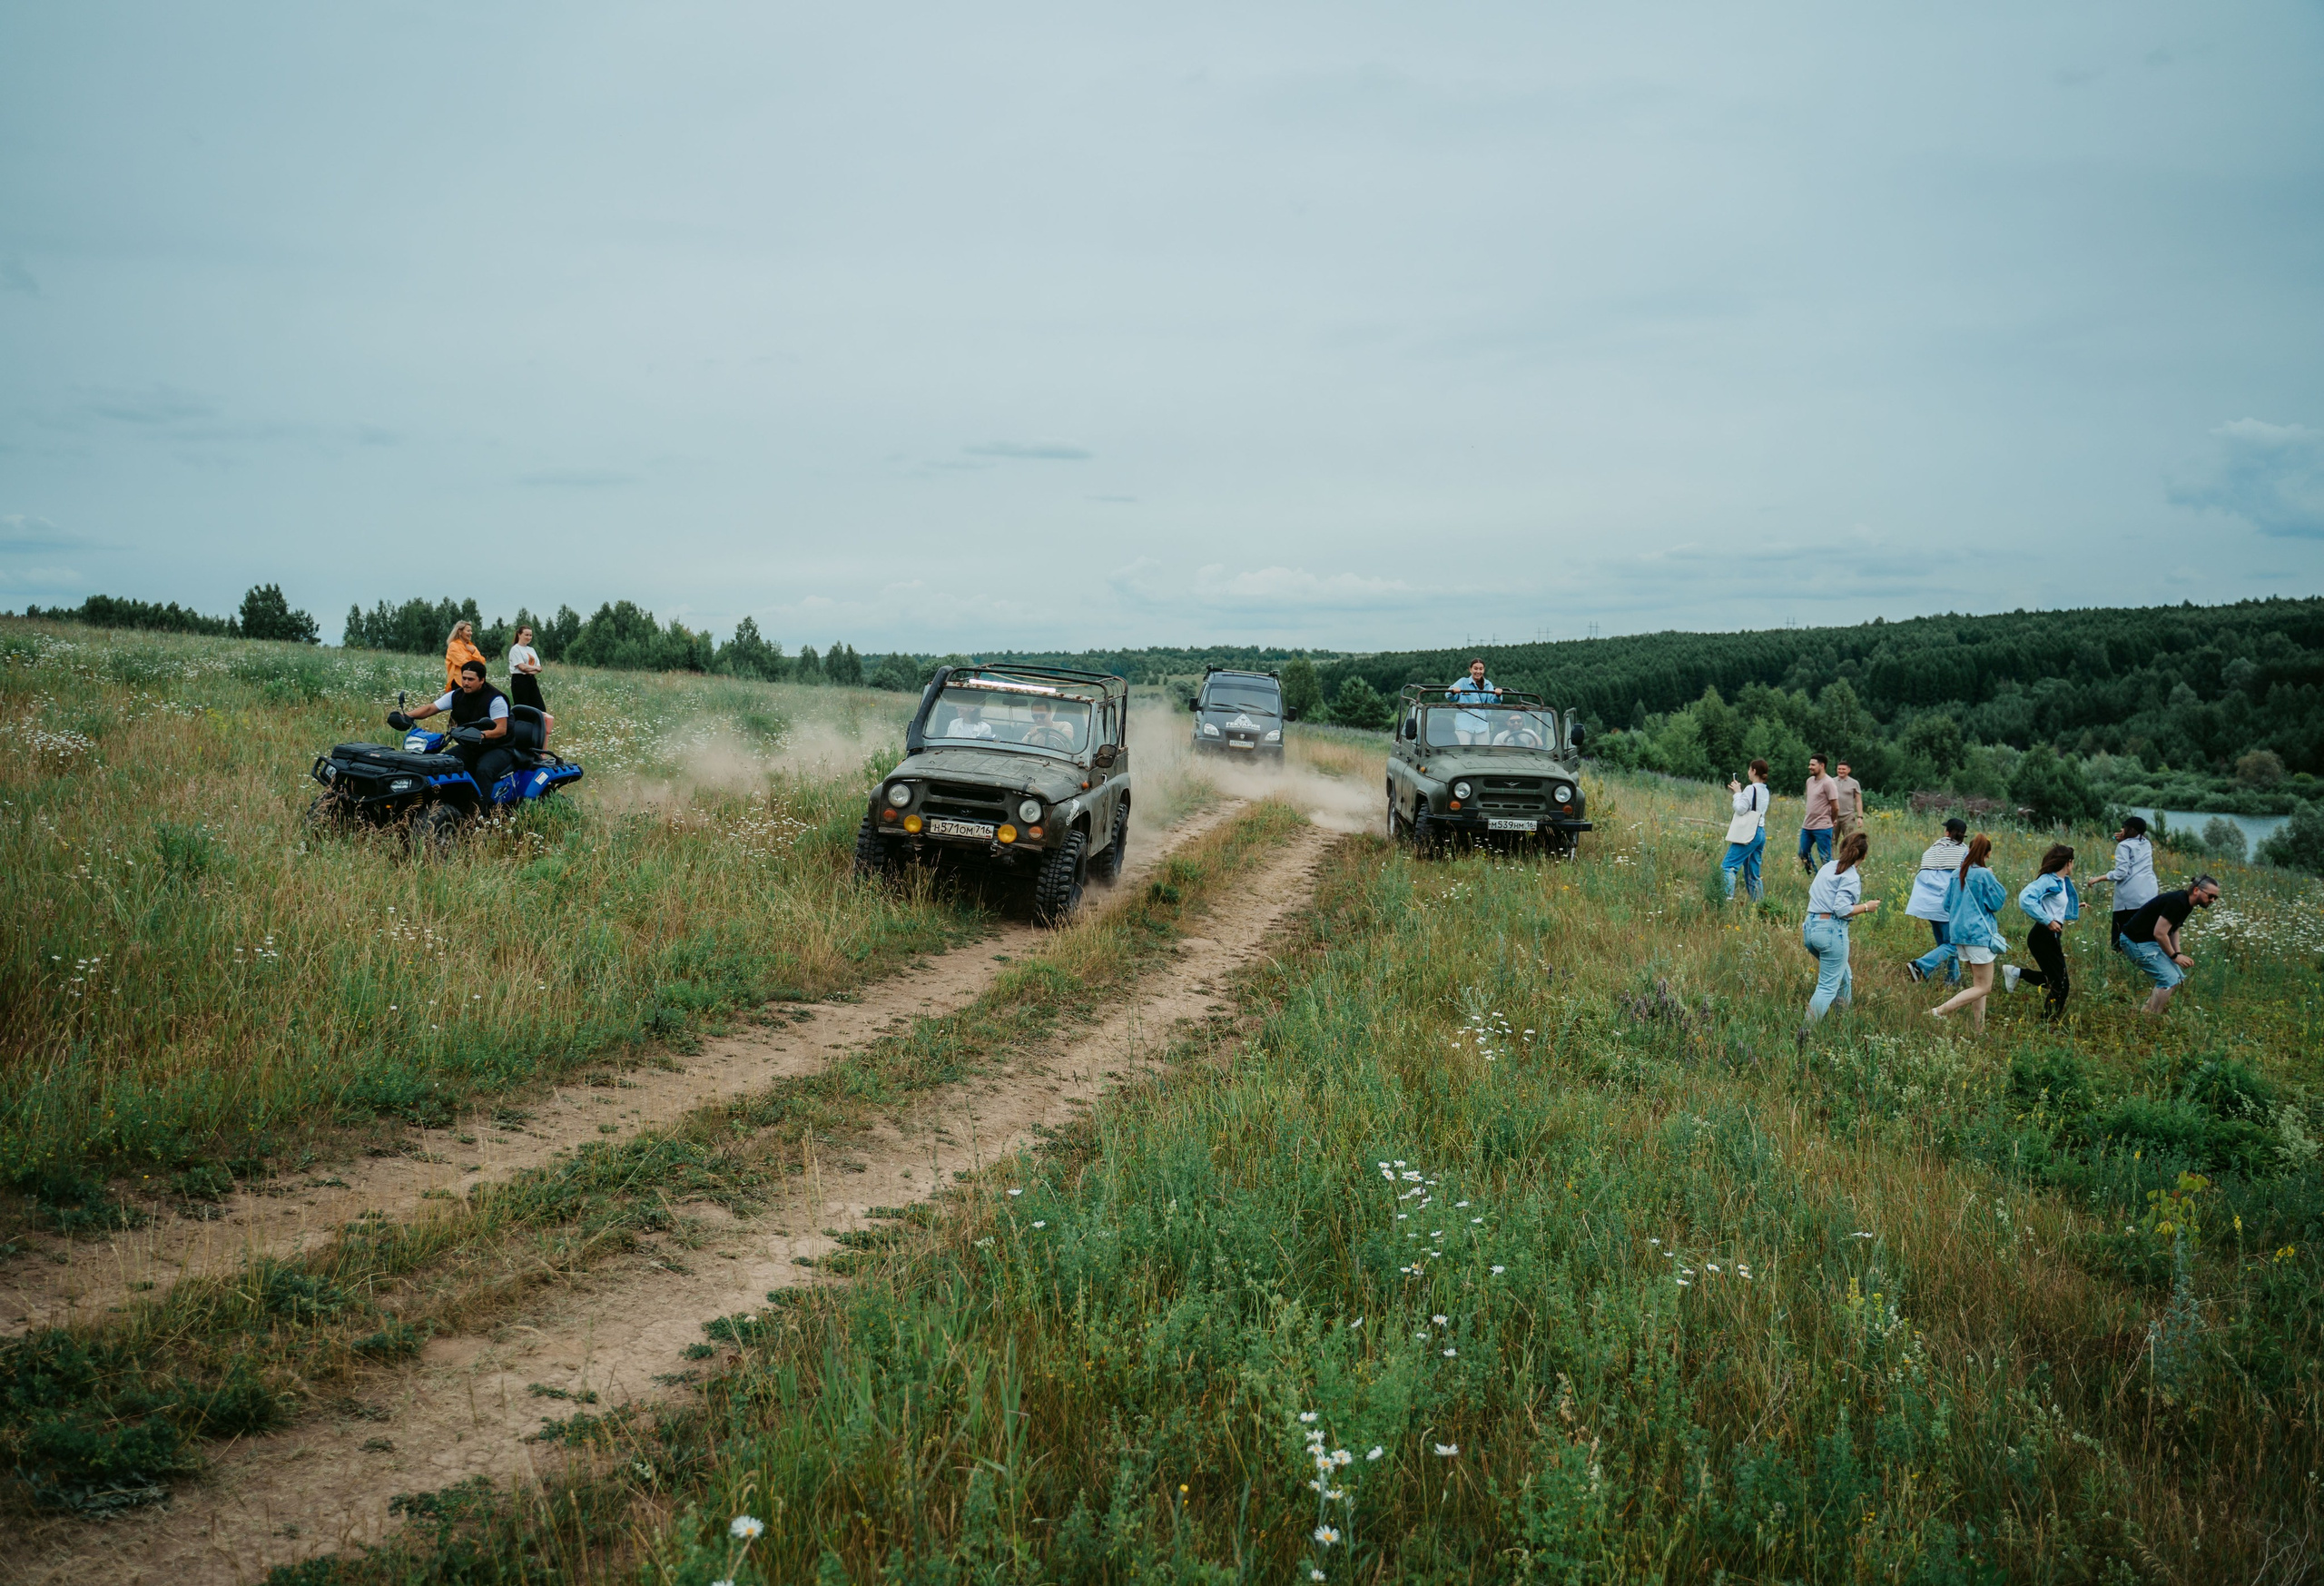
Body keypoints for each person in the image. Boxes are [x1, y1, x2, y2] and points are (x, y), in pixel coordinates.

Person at [1799, 830, 1879, 1041]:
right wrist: (1867, 907)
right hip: (1831, 931)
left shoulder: (1828, 867)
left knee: (1843, 976)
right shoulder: (1851, 876)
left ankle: (1841, 1021)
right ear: (1864, 856)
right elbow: (1842, 909)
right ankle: (1804, 1033)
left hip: (1811, 927)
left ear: (1842, 848)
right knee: (1827, 986)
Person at [1930, 835, 2011, 1033]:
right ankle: (1939, 1011)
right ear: (1987, 853)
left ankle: (1979, 1030)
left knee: (1978, 985)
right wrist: (1991, 877)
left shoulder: (1956, 873)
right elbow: (1997, 903)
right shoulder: (1984, 875)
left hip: (1959, 934)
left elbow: (1947, 904)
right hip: (1978, 935)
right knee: (1984, 987)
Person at [402, 659, 516, 788]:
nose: (466, 683)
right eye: (464, 678)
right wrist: (406, 716)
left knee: (484, 770)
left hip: (498, 748)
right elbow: (430, 708)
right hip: (470, 746)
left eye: (470, 679)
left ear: (482, 680)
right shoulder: (456, 695)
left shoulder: (495, 699)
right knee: (442, 764)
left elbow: (501, 729)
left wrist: (481, 735)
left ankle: (483, 802)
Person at [2120, 874, 2221, 1016]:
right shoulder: (2177, 902)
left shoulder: (2186, 903)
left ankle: (2148, 1012)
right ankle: (2149, 1017)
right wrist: (2174, 956)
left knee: (2178, 978)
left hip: (2148, 941)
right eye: (2210, 896)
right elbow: (2160, 933)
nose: (2212, 900)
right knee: (2169, 980)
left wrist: (2177, 954)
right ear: (2196, 890)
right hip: (2135, 941)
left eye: (2215, 897)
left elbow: (2174, 929)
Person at [2015, 844, 2080, 1020]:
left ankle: (2015, 973)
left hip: (2048, 935)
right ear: (2069, 862)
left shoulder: (2061, 881)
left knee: (2056, 980)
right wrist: (2048, 921)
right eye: (2073, 862)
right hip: (2043, 935)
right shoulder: (2048, 880)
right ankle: (2047, 1022)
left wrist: (2074, 908)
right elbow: (2025, 899)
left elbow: (2054, 904)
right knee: (2061, 983)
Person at [1905, 817, 1971, 985]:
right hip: (1945, 906)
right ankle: (1919, 965)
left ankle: (1953, 980)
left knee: (1944, 944)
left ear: (1947, 832)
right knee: (1954, 945)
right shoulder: (1964, 852)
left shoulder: (1932, 849)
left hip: (1926, 904)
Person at [2098, 815, 2158, 953]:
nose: (2121, 830)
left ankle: (2120, 957)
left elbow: (2121, 873)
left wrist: (2098, 878)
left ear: (2131, 830)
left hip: (2130, 896)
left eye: (2124, 827)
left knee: (2120, 935)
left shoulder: (2123, 846)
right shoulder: (2146, 843)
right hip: (2148, 894)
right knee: (2143, 933)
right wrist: (2125, 839)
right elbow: (2135, 847)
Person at [1720, 759, 1771, 902]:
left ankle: (1726, 899)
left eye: (1750, 769)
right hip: (1760, 832)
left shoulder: (1751, 789)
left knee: (1728, 866)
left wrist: (1737, 793)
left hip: (1749, 833)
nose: (1748, 772)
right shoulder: (1765, 790)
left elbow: (1740, 809)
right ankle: (1759, 905)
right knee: (1753, 874)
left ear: (1754, 771)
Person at [1798, 754, 1838, 873]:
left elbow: (1835, 806)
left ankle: (1831, 879)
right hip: (1807, 825)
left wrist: (1831, 820)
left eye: (1813, 765)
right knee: (1803, 853)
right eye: (1809, 764)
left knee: (1825, 858)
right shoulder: (1809, 781)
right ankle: (1814, 876)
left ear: (1822, 766)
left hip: (1822, 827)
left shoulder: (1828, 783)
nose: (1809, 767)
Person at [1448, 658, 1500, 745]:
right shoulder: (1463, 682)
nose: (1478, 671)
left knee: (1483, 750)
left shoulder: (1488, 684)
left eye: (1481, 669)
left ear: (1484, 670)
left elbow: (1493, 701)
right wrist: (1453, 691)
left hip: (1482, 724)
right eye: (1475, 668)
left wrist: (1497, 695)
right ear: (1470, 669)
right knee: (1461, 749)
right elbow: (1449, 696)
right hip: (1464, 725)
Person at [443, 619, 487, 694]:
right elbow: (463, 663)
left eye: (471, 631)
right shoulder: (453, 646)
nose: (471, 633)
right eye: (468, 631)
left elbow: (482, 662)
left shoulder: (472, 647)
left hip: (473, 682)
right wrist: (475, 664)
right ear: (460, 632)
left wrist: (473, 652)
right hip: (459, 682)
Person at [1832, 760, 1866, 843]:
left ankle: (1847, 853)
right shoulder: (1831, 781)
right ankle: (1832, 853)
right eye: (1839, 769)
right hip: (1833, 816)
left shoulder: (1854, 783)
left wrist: (1860, 817)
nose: (1841, 771)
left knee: (1849, 841)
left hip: (1848, 816)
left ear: (1849, 770)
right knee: (1831, 841)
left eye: (1843, 769)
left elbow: (1858, 801)